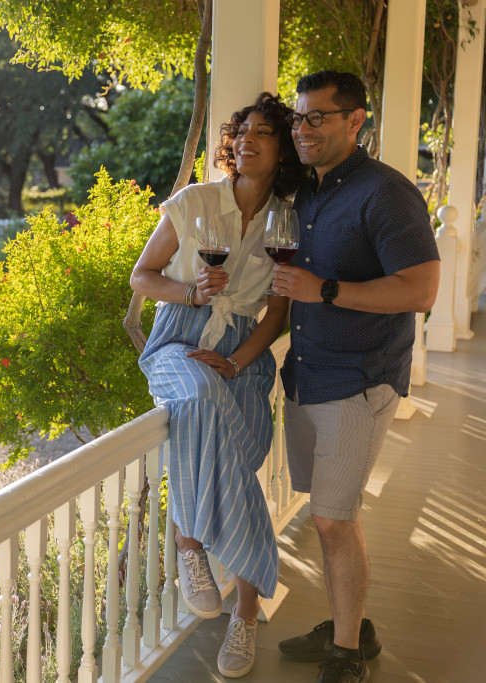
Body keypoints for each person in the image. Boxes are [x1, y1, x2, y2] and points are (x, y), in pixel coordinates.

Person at [271, 70, 440, 683]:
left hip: (360, 378)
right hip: (307, 375)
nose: (304, 128)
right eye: (299, 117)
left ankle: (347, 654)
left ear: (355, 120)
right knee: (330, 514)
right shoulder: (308, 192)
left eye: (318, 116)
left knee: (333, 519)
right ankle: (355, 626)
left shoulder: (386, 193)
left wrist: (327, 291)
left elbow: (421, 289)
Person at [130, 92, 306, 678]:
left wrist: (236, 363)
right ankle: (191, 549)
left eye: (263, 132)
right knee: (199, 397)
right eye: (241, 131)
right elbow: (143, 276)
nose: (246, 140)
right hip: (180, 336)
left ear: (282, 149)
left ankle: (245, 618)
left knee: (236, 462)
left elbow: (277, 313)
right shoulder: (196, 202)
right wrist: (190, 293)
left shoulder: (286, 219)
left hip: (246, 351)